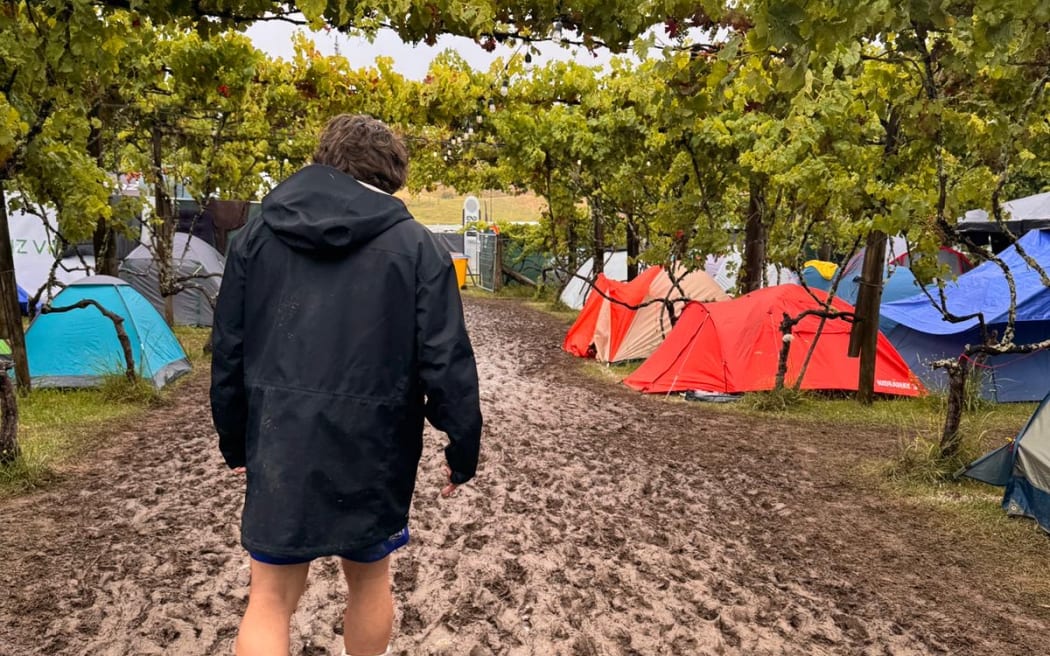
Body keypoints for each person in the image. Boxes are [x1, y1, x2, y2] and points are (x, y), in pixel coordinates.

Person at [210, 114, 483, 656]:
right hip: (374, 441)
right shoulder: (419, 246)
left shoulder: (255, 236)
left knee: (267, 596)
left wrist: (235, 436)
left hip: (280, 436)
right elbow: (445, 356)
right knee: (370, 579)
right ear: (392, 176)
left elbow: (228, 348)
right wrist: (463, 444)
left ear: (327, 159)